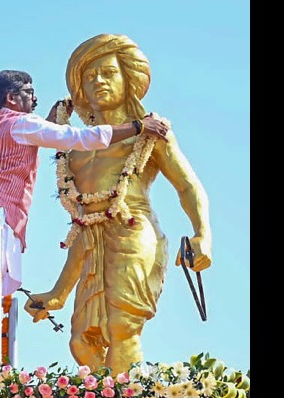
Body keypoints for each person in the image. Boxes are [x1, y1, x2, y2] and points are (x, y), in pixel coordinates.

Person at [0, 69, 169, 367]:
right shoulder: (20, 123)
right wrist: (139, 126)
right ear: (11, 98)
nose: (34, 98)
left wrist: (49, 121)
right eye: (28, 92)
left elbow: (34, 137)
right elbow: (78, 138)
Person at [23, 34, 212, 375]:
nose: (97, 81)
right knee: (81, 341)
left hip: (132, 231)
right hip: (89, 241)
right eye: (89, 76)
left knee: (123, 327)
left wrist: (203, 234)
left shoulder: (150, 133)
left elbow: (187, 185)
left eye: (108, 72)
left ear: (128, 79)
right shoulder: (76, 145)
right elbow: (83, 222)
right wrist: (59, 292)